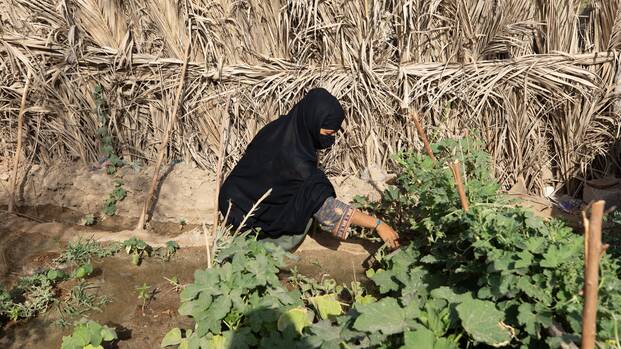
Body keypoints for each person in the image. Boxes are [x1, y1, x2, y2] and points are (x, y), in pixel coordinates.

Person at [218, 88, 400, 251]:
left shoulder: (279, 128)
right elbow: (328, 210)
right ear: (312, 123)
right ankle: (262, 250)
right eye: (328, 134)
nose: (332, 139)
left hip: (232, 197)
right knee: (304, 211)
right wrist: (377, 224)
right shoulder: (299, 166)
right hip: (244, 215)